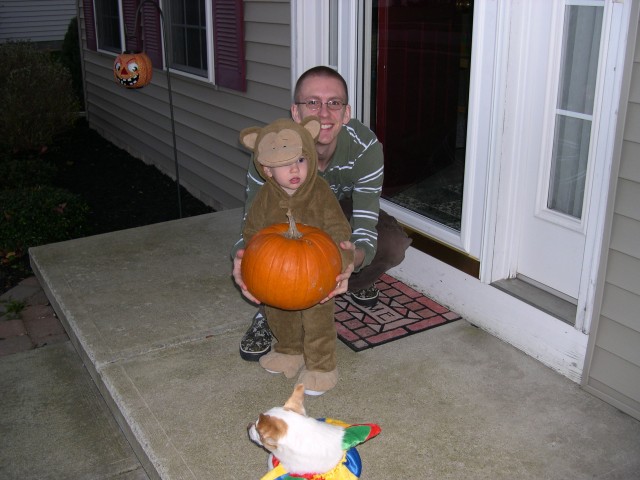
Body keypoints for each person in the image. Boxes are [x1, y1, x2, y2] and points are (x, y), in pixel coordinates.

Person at [232, 66, 412, 361]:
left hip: (343, 207)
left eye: (334, 103)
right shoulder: (271, 149)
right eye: (312, 102)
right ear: (296, 112)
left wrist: (351, 260)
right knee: (277, 257)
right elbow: (253, 219)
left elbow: (365, 222)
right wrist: (243, 261)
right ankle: (273, 310)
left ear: (346, 112)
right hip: (291, 211)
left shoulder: (366, 147)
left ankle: (348, 282)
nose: (324, 113)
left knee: (390, 245)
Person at [238, 116, 354, 395]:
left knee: (318, 322)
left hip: (317, 273)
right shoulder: (265, 197)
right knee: (278, 314)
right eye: (283, 164)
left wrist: (345, 261)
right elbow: (252, 232)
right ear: (266, 169)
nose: (294, 169)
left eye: (301, 161)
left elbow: (339, 229)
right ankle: (289, 351)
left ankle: (321, 365)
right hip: (276, 275)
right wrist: (249, 266)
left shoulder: (320, 192)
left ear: (311, 159)